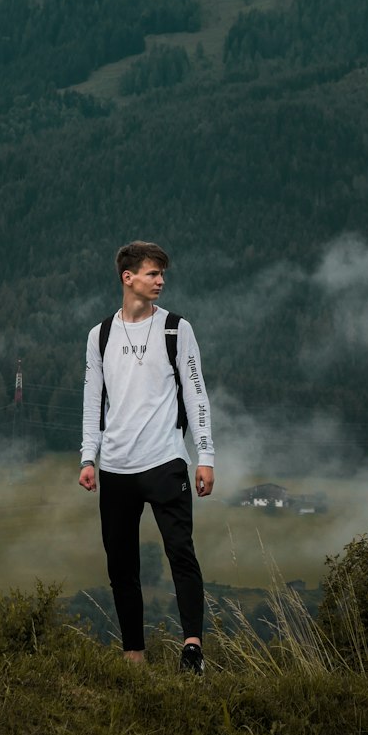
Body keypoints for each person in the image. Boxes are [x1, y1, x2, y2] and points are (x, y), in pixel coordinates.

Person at [80, 240, 214, 673]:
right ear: (128, 277)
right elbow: (91, 401)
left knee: (181, 553)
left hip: (166, 461)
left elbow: (196, 395)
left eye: (162, 274)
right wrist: (88, 457)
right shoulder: (100, 335)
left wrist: (204, 456)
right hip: (116, 468)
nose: (161, 281)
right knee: (121, 566)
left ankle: (192, 648)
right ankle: (133, 657)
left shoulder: (177, 329)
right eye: (153, 273)